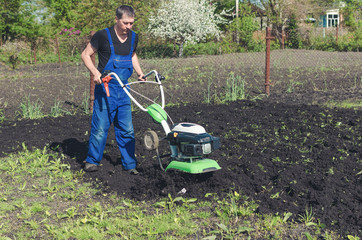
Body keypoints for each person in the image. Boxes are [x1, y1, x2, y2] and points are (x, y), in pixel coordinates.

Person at [81, 5, 145, 174]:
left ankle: (130, 165)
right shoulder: (103, 35)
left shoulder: (133, 37)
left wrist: (140, 73)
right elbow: (85, 54)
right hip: (106, 89)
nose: (128, 27)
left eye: (131, 23)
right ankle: (92, 161)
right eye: (125, 23)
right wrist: (95, 72)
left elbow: (132, 55)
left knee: (127, 129)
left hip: (124, 90)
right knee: (100, 127)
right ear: (116, 20)